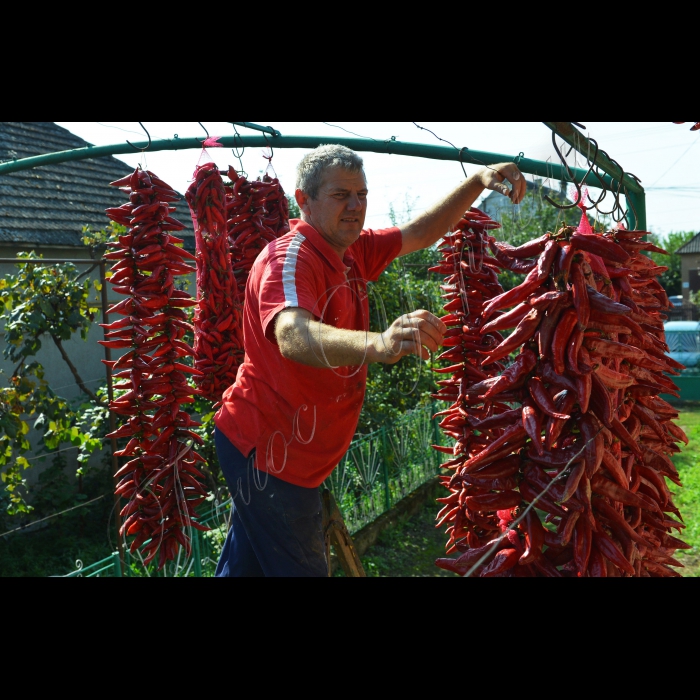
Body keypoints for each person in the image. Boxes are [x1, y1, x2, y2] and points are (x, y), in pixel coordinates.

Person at [213, 144, 526, 577]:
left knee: (246, 568)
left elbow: (418, 232)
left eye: (362, 195)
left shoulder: (353, 248)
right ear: (303, 200)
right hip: (269, 456)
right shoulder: (289, 259)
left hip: (285, 454)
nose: (355, 207)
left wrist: (476, 182)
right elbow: (292, 334)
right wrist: (378, 342)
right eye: (341, 195)